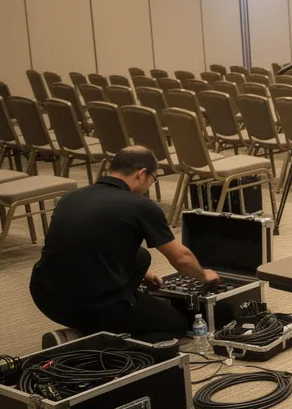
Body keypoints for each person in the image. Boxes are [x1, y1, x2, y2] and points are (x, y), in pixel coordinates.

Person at [30, 146, 221, 344]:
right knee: (178, 327)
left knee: (141, 256)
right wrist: (204, 275)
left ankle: (99, 323)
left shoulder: (71, 197)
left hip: (46, 296)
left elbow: (76, 246)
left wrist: (144, 275)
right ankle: (89, 339)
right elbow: (181, 259)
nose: (149, 185)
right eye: (152, 180)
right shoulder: (140, 206)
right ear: (142, 174)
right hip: (94, 303)